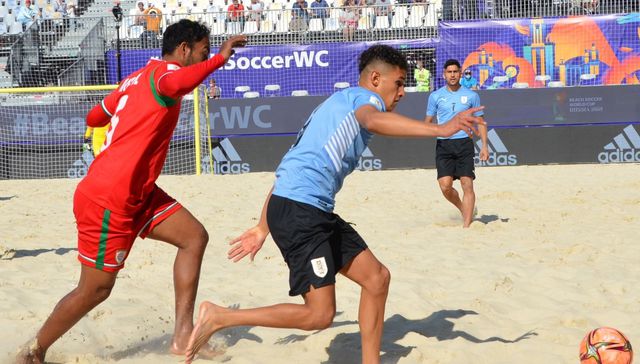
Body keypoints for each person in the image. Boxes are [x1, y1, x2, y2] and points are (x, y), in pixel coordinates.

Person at [184, 45, 484, 364]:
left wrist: (262, 226)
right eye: (398, 83)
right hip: (302, 213)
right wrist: (440, 129)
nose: (403, 92)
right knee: (319, 315)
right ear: (375, 78)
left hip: (304, 208)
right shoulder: (364, 101)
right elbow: (372, 121)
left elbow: (290, 171)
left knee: (377, 278)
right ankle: (220, 317)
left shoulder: (336, 104)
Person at [16, 20, 247, 364]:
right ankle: (34, 352)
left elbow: (96, 116)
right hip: (110, 197)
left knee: (194, 237)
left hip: (137, 190)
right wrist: (221, 58)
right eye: (203, 51)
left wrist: (130, 121)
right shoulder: (165, 76)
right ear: (184, 49)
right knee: (96, 289)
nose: (206, 56)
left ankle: (182, 335)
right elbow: (179, 81)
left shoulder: (134, 79)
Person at [425, 59, 487, 228]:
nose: (452, 75)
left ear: (460, 73)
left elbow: (480, 121)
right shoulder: (435, 96)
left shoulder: (472, 96)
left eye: (455, 72)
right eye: (449, 72)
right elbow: (428, 121)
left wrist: (484, 146)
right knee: (445, 187)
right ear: (444, 74)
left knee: (467, 184)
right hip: (444, 144)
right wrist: (434, 130)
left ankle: (466, 227)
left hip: (464, 144)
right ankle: (463, 208)